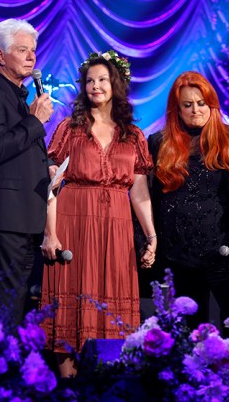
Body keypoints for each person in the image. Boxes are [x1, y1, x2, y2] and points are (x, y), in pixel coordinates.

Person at [40, 50, 156, 377]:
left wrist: (151, 235)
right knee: (70, 309)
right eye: (90, 81)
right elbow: (53, 185)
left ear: (115, 84)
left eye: (102, 79)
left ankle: (106, 390)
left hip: (117, 227)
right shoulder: (69, 129)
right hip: (74, 221)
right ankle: (68, 393)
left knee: (112, 307)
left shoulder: (133, 135)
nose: (95, 86)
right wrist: (51, 232)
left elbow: (139, 190)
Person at [148, 71, 229, 328]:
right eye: (187, 105)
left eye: (201, 103)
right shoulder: (159, 143)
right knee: (189, 335)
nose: (195, 110)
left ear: (211, 104)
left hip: (225, 252)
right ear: (176, 109)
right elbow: (151, 198)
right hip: (178, 256)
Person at [0, 18, 54, 327]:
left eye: (33, 50)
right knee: (3, 312)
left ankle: (12, 370)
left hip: (23, 222)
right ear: (0, 55)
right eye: (22, 50)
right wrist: (35, 122)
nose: (32, 56)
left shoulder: (18, 98)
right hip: (3, 221)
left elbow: (18, 154)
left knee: (18, 312)